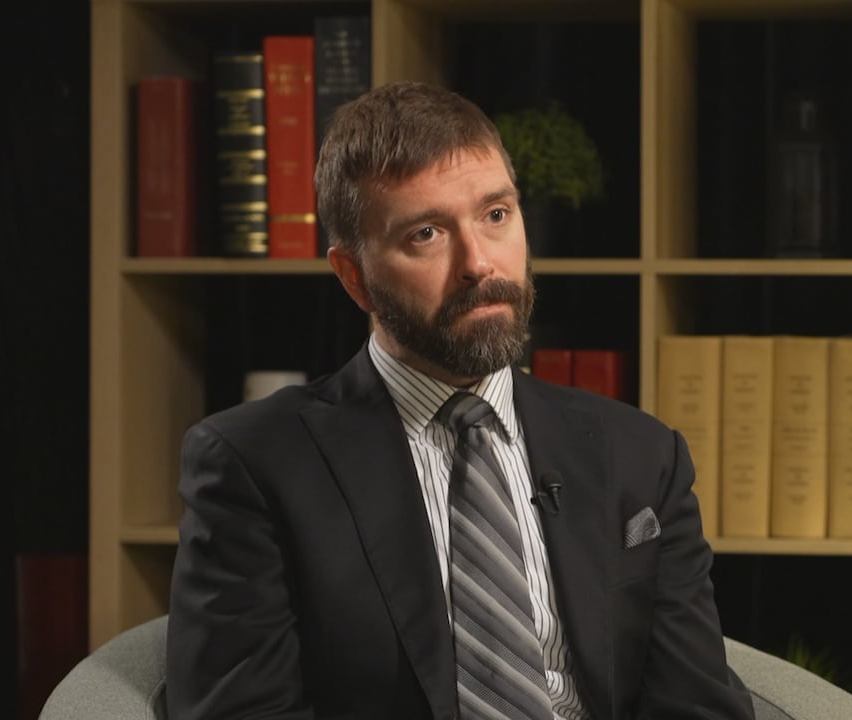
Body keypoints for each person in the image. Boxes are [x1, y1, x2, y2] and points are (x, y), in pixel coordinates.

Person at [166, 80, 755, 720]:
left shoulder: (643, 456)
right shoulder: (253, 466)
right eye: (426, 233)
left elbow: (698, 706)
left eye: (496, 215)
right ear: (354, 276)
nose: (479, 262)